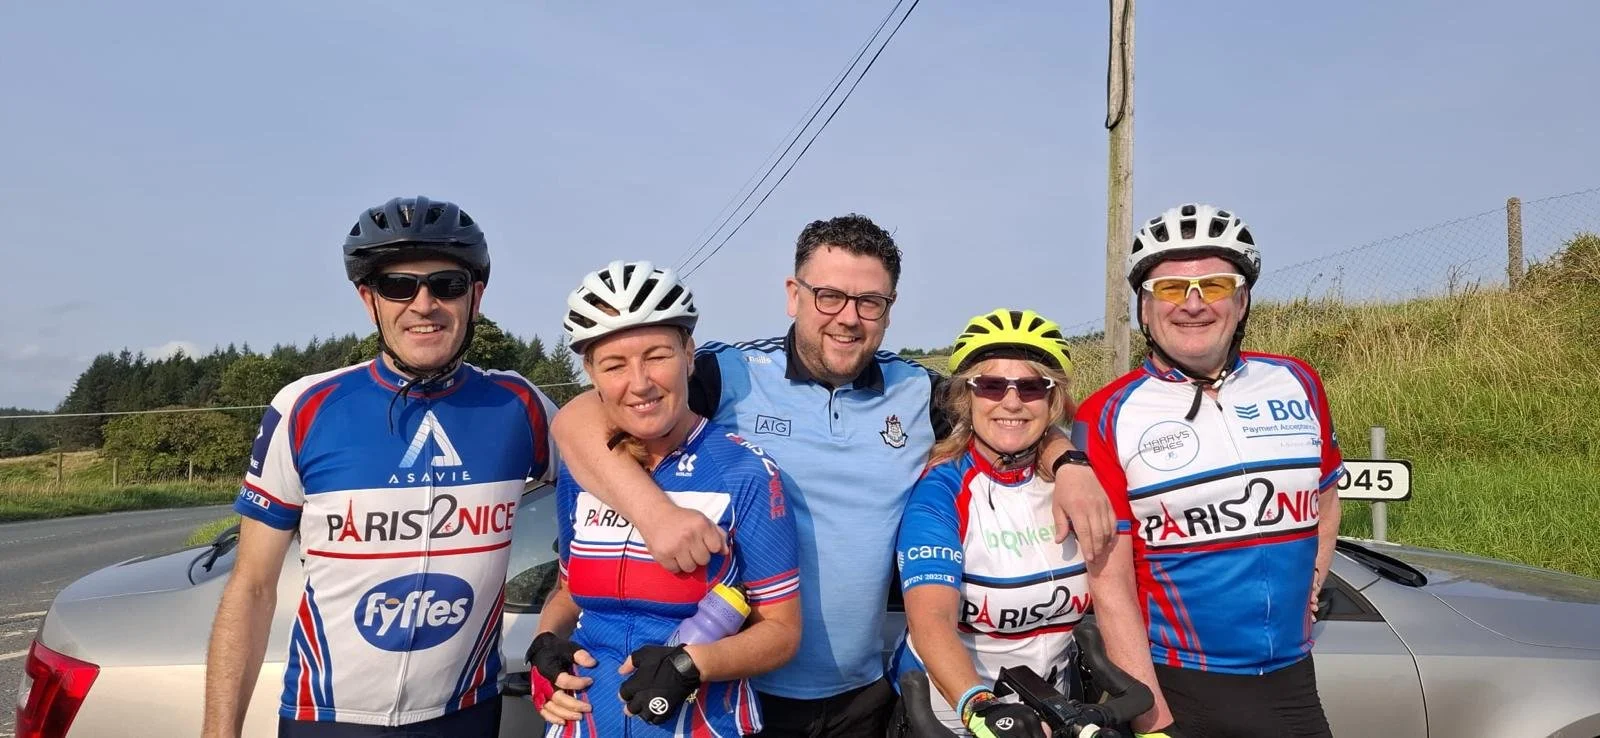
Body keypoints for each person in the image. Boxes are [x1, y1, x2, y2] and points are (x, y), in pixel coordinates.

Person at [550, 215, 1116, 738]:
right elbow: (584, 415)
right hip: (740, 687)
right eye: (829, 296)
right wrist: (655, 515)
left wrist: (1068, 463)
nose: (848, 317)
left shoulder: (916, 391)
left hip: (863, 694)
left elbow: (1007, 418)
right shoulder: (729, 373)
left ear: (890, 310)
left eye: (869, 301)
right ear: (793, 296)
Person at [201, 196, 559, 738]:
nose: (424, 304)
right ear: (369, 300)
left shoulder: (518, 405)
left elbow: (614, 477)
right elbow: (251, 588)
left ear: (475, 297)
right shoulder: (305, 407)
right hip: (328, 717)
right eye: (398, 286)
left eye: (447, 285)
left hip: (465, 713)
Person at [1073, 204, 1344, 738]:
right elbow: (1110, 585)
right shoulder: (1108, 413)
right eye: (1170, 289)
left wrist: (1310, 587)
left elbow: (1326, 500)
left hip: (1293, 684)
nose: (1193, 304)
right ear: (1144, 311)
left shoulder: (1297, 381)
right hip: (1181, 689)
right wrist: (1150, 718)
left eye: (1215, 285)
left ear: (1241, 301)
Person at [528, 260, 804, 737]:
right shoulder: (583, 471)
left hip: (701, 723)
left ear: (689, 354)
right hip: (585, 722)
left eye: (657, 355)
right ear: (591, 374)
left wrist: (692, 664)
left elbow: (781, 633)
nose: (640, 382)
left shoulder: (745, 473)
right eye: (614, 365)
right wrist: (545, 640)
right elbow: (570, 591)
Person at [888, 309, 1169, 738]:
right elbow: (931, 623)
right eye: (992, 385)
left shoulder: (1079, 481)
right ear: (967, 396)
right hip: (956, 715)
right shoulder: (942, 491)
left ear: (1053, 399)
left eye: (1032, 386)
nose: (1012, 401)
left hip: (1057, 712)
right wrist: (980, 708)